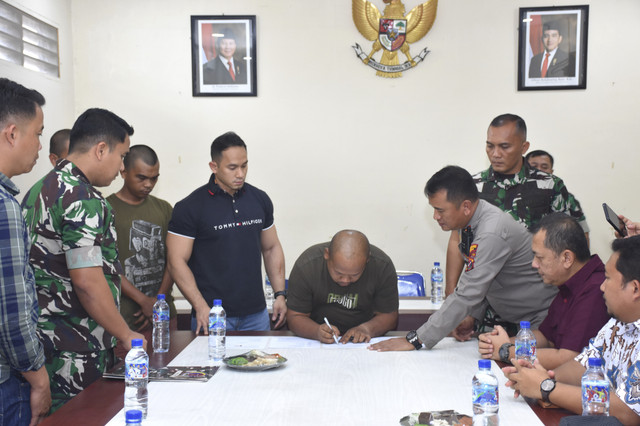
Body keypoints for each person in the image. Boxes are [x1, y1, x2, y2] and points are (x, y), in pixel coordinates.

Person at [21, 108, 145, 412]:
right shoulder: (81, 198)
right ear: (101, 150)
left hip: (43, 349)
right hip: (74, 352)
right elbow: (88, 281)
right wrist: (125, 334)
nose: (120, 169)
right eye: (122, 156)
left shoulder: (40, 189)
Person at [369, 166, 557, 352]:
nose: (435, 217)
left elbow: (469, 291)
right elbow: (486, 276)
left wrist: (416, 340)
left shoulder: (491, 232)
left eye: (440, 210)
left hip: (541, 319)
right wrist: (471, 315)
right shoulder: (470, 223)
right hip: (519, 317)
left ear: (466, 206)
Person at [444, 114, 588, 297]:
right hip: (484, 296)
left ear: (524, 147)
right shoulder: (473, 187)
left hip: (536, 296)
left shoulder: (550, 186)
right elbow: (457, 239)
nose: (495, 154)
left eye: (505, 146)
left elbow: (571, 241)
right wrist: (451, 292)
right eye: (490, 146)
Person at [502, 236, 640, 424]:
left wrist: (547, 388)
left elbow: (628, 412)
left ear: (634, 288)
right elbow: (584, 365)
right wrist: (541, 377)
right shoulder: (619, 322)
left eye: (608, 278)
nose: (602, 286)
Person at [167, 131, 286, 334]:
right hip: (212, 315)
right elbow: (176, 261)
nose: (240, 173)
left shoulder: (260, 199)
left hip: (256, 315)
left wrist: (280, 294)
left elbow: (271, 248)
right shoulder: (190, 207)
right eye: (232, 167)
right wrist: (200, 306)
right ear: (214, 166)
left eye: (244, 165)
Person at [478, 213, 609, 369]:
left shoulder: (595, 290)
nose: (534, 264)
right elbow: (547, 337)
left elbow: (569, 358)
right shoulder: (570, 284)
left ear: (567, 258)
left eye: (539, 257)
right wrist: (499, 343)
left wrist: (507, 351)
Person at [0, 78, 51, 425]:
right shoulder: (4, 206)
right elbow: (11, 315)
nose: (38, 145)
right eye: (37, 133)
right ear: (12, 133)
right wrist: (38, 376)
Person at [106, 145, 176, 357]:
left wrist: (158, 300)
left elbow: (174, 260)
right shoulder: (106, 208)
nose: (149, 184)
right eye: (142, 177)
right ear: (123, 172)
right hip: (124, 321)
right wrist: (143, 301)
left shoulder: (164, 209)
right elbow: (108, 265)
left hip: (164, 316)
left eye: (154, 178)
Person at [286, 230, 399, 344]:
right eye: (338, 273)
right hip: (316, 340)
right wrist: (316, 332)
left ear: (367, 260)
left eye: (354, 275)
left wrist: (367, 329)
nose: (345, 280)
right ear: (327, 255)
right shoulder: (308, 266)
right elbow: (295, 316)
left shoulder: (382, 266)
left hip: (364, 342)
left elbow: (389, 316)